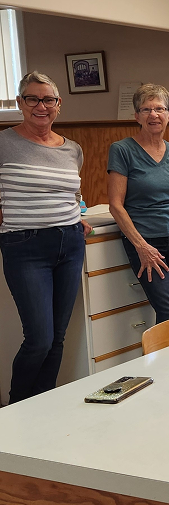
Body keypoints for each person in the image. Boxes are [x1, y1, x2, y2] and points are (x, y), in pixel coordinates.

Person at [0, 71, 92, 403]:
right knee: (38, 338)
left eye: (48, 99)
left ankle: (44, 407)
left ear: (58, 105)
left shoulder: (72, 150)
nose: (41, 106)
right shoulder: (4, 143)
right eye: (33, 99)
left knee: (57, 339)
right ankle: (15, 411)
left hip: (69, 243)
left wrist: (76, 217)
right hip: (24, 246)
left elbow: (73, 194)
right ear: (19, 103)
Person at [108, 84, 169, 324]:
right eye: (146, 109)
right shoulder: (122, 150)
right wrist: (142, 246)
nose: (153, 115)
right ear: (136, 116)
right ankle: (158, 360)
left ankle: (166, 360)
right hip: (146, 241)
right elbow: (115, 205)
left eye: (159, 109)